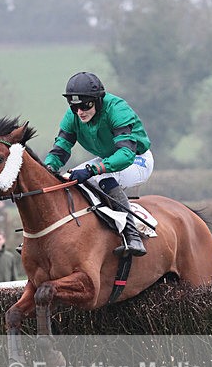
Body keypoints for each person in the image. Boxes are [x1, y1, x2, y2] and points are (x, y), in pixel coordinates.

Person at [44, 71, 154, 257]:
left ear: (98, 100)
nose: (80, 112)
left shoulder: (117, 109)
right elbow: (60, 149)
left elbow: (126, 154)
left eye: (85, 105)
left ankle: (131, 234)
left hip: (137, 159)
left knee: (103, 176)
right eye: (74, 107)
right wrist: (47, 169)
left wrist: (92, 170)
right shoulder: (73, 116)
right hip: (109, 158)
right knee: (66, 178)